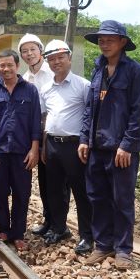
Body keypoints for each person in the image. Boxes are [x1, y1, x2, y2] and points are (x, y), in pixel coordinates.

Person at [78, 21, 140, 270]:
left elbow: (139, 112)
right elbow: (89, 109)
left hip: (121, 150)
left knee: (121, 200)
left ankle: (123, 250)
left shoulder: (135, 72)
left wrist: (127, 145)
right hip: (97, 147)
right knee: (97, 197)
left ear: (122, 42)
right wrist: (84, 139)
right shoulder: (97, 71)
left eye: (110, 39)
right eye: (101, 39)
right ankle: (102, 245)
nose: (104, 43)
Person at [0, 50, 41, 252]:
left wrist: (35, 149)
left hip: (22, 151)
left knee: (21, 193)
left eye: (9, 65)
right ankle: (3, 229)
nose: (5, 69)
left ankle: (18, 233)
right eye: (2, 65)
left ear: (17, 66)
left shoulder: (30, 90)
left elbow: (35, 122)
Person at [38, 40, 93, 255]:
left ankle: (87, 236)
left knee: (81, 192)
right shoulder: (46, 88)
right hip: (52, 144)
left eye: (60, 57)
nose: (56, 62)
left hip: (75, 145)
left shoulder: (83, 85)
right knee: (55, 190)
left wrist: (86, 143)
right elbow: (45, 119)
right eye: (51, 58)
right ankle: (59, 229)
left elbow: (90, 117)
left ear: (69, 58)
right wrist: (43, 146)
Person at [18, 33, 58, 238]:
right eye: (25, 51)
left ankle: (59, 225)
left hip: (52, 129)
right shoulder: (25, 79)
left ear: (40, 50)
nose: (29, 54)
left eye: (32, 49)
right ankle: (48, 220)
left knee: (56, 180)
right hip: (35, 131)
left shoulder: (52, 72)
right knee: (43, 179)